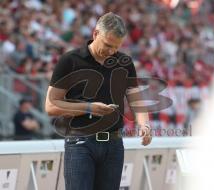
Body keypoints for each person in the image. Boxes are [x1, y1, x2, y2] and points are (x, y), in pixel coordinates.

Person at [45, 12, 152, 190]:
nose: (112, 52)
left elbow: (136, 99)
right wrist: (88, 108)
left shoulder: (125, 62)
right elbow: (50, 105)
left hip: (114, 144)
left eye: (116, 47)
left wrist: (145, 125)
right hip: (80, 142)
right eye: (108, 45)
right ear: (95, 34)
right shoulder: (70, 61)